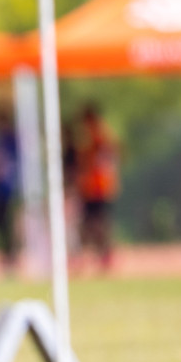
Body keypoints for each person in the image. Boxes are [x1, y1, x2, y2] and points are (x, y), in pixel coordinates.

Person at [75, 102, 120, 271]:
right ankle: (99, 254)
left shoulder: (101, 137)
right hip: (92, 188)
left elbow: (111, 157)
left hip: (100, 188)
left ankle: (104, 255)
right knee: (91, 223)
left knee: (99, 223)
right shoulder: (92, 139)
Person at [0, 104, 21, 274]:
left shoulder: (11, 140)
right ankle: (7, 252)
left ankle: (13, 254)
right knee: (1, 223)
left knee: (10, 222)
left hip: (10, 188)